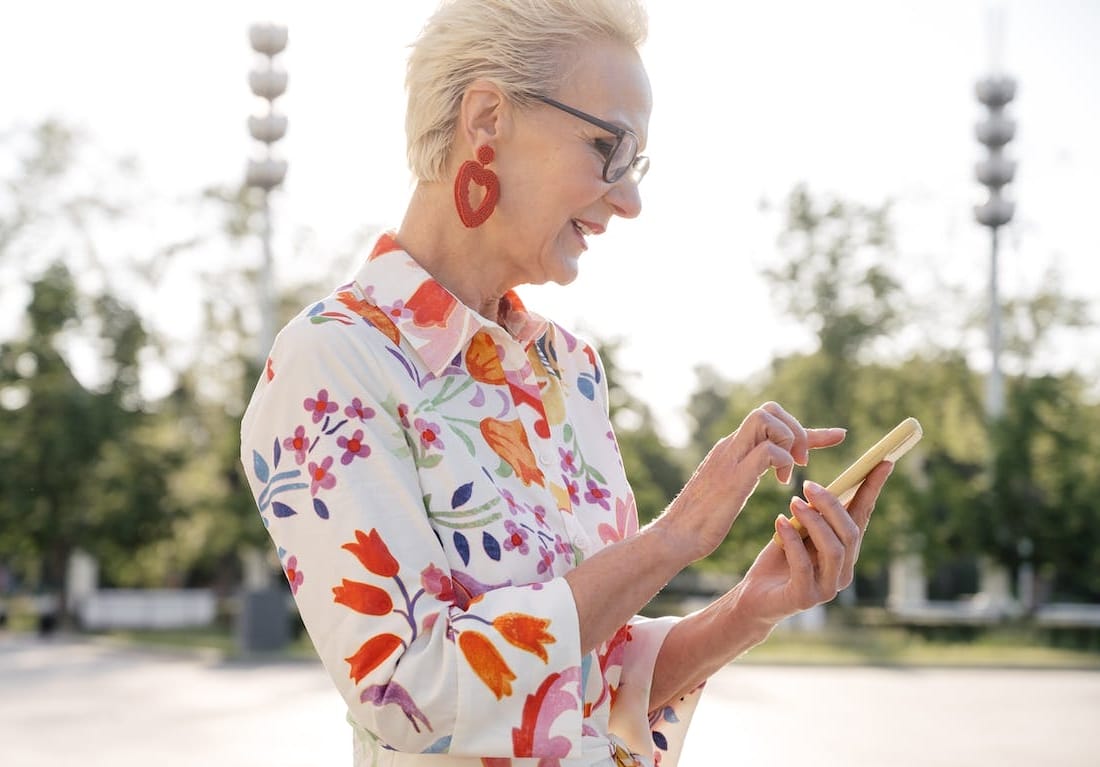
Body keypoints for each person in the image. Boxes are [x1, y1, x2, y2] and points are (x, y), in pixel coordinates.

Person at [239, 1, 894, 765]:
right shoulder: (334, 360)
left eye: (636, 163)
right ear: (487, 117)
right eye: (607, 147)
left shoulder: (572, 373)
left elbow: (590, 683)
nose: (629, 198)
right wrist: (670, 541)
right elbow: (409, 696)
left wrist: (751, 608)